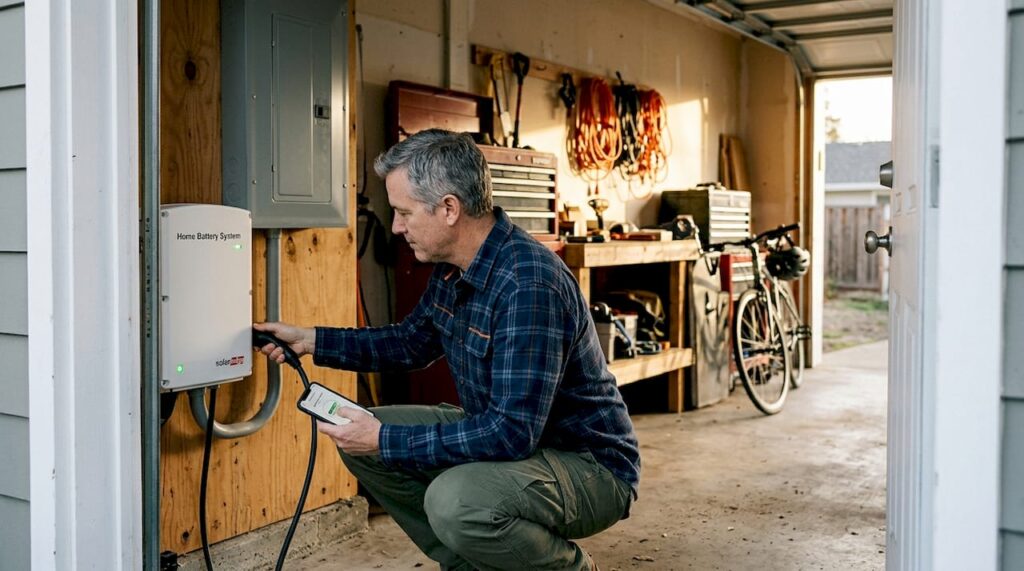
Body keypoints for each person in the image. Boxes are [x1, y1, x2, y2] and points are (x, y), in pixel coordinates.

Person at [255, 129, 639, 571]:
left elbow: (512, 433)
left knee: (454, 501)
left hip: (587, 466)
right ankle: (469, 563)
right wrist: (310, 340)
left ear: (449, 208)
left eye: (403, 212)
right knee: (352, 430)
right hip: (514, 439)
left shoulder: (528, 284)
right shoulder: (454, 267)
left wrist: (384, 439)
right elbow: (410, 343)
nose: (397, 227)